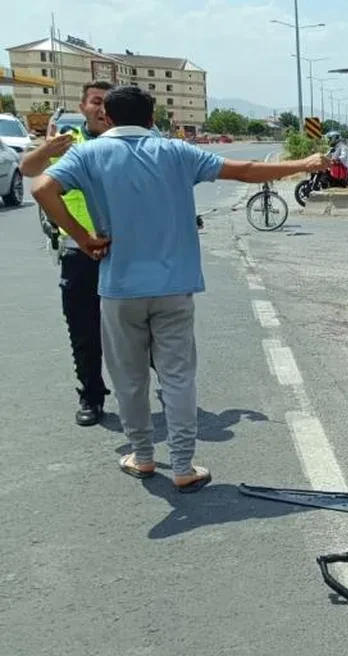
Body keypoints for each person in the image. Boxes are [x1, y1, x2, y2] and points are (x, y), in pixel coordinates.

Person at [31, 86, 330, 491]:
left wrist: (83, 237)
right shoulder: (175, 152)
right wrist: (306, 162)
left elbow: (40, 188)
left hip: (119, 287)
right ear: (152, 119)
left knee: (129, 378)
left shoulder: (88, 153)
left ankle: (143, 456)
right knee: (177, 377)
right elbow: (244, 171)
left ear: (110, 118)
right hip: (174, 286)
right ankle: (185, 467)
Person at [19, 80, 115, 427]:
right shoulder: (67, 143)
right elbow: (28, 170)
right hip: (79, 252)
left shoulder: (130, 142)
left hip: (125, 252)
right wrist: (47, 150)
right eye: (95, 102)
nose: (102, 108)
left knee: (143, 329)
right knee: (85, 332)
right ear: (83, 106)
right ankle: (91, 396)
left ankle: (164, 384)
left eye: (108, 102)